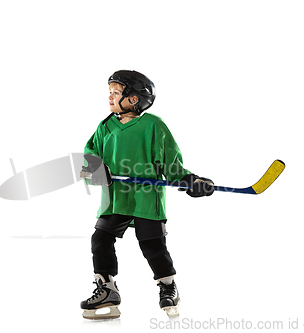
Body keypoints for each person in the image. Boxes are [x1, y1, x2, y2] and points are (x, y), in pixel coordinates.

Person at [79, 70, 214, 319]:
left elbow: (171, 165)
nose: (110, 97)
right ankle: (107, 288)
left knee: (152, 245)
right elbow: (90, 153)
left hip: (145, 198)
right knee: (100, 240)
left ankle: (168, 286)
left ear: (133, 98)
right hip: (115, 198)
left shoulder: (154, 126)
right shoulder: (105, 126)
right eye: (109, 92)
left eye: (116, 93)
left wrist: (190, 181)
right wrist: (94, 169)